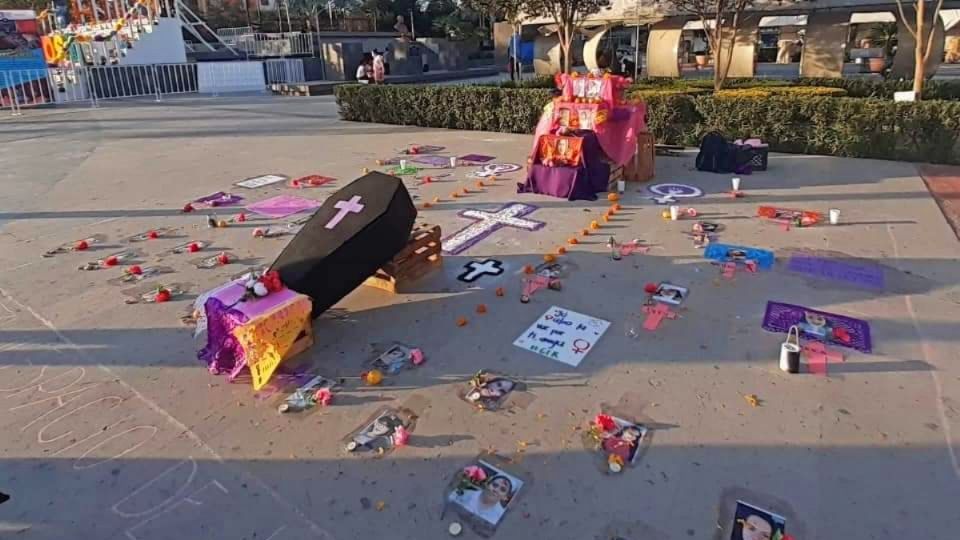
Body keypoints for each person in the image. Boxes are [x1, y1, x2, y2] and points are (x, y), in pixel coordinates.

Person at [449, 473, 515, 525]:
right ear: (487, 484)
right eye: (494, 485)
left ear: (505, 497)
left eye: (502, 489)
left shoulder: (499, 516)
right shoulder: (464, 494)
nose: (496, 490)